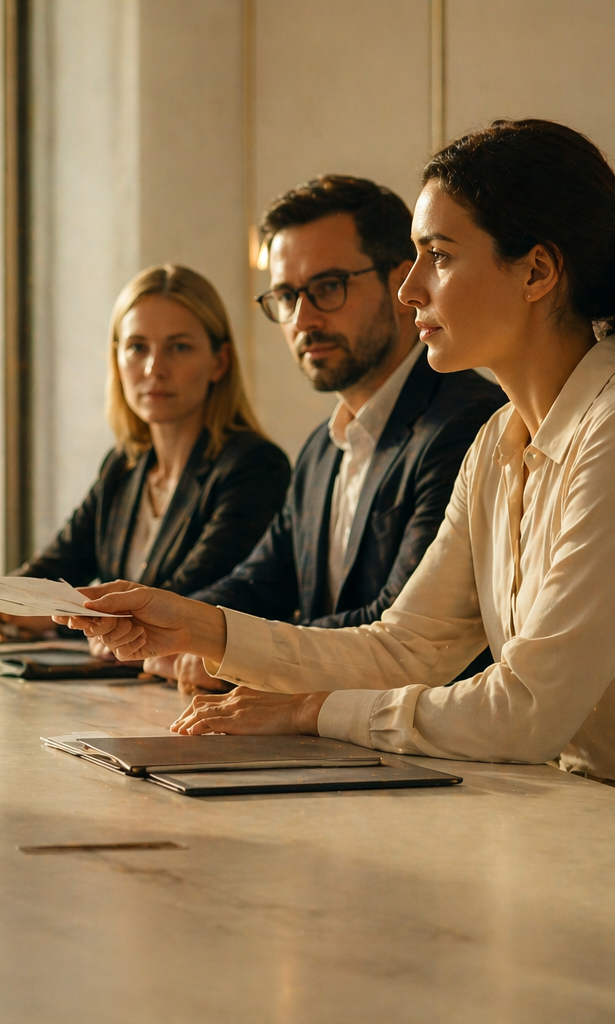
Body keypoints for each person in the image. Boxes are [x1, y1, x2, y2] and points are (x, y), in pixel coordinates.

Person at [66, 119, 615, 793]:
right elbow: (403, 649)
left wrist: (309, 712)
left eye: (439, 256)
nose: (410, 289)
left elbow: (524, 712)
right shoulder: (499, 440)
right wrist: (200, 628)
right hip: (585, 811)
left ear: (537, 270)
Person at [150, 177, 505, 694]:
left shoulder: (467, 423)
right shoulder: (322, 445)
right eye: (286, 296)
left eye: (328, 287)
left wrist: (232, 651)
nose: (303, 319)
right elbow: (261, 581)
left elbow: (396, 624)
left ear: (402, 283)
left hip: (430, 753)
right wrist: (171, 624)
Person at [0, 264, 290, 641]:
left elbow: (184, 603)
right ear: (117, 360)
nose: (154, 368)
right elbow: (55, 567)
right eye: (137, 347)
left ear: (218, 362)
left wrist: (48, 616)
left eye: (179, 347)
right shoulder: (123, 467)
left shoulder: (254, 466)